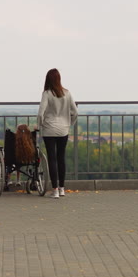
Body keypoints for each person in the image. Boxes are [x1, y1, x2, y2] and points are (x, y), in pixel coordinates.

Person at [37, 68, 78, 198]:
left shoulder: (47, 94)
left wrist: (39, 126)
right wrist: (69, 123)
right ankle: (62, 188)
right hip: (63, 130)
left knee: (52, 159)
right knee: (61, 158)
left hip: (49, 130)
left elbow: (40, 113)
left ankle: (54, 190)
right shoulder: (67, 93)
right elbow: (75, 112)